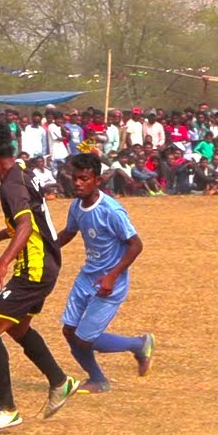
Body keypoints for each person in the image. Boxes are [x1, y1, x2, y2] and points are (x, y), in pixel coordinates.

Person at [0, 119, 78, 432]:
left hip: (34, 268)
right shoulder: (21, 173)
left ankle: (7, 409)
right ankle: (60, 381)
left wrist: (1, 264)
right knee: (17, 327)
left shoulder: (11, 186)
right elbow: (30, 219)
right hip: (45, 264)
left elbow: (27, 226)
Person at [55, 153, 154, 394]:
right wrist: (46, 249)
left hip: (110, 282)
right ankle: (98, 380)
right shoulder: (76, 205)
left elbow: (136, 245)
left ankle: (139, 344)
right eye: (75, 178)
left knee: (85, 339)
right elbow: (69, 232)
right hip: (87, 277)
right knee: (69, 331)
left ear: (97, 180)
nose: (77, 183)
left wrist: (112, 275)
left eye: (84, 179)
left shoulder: (111, 211)